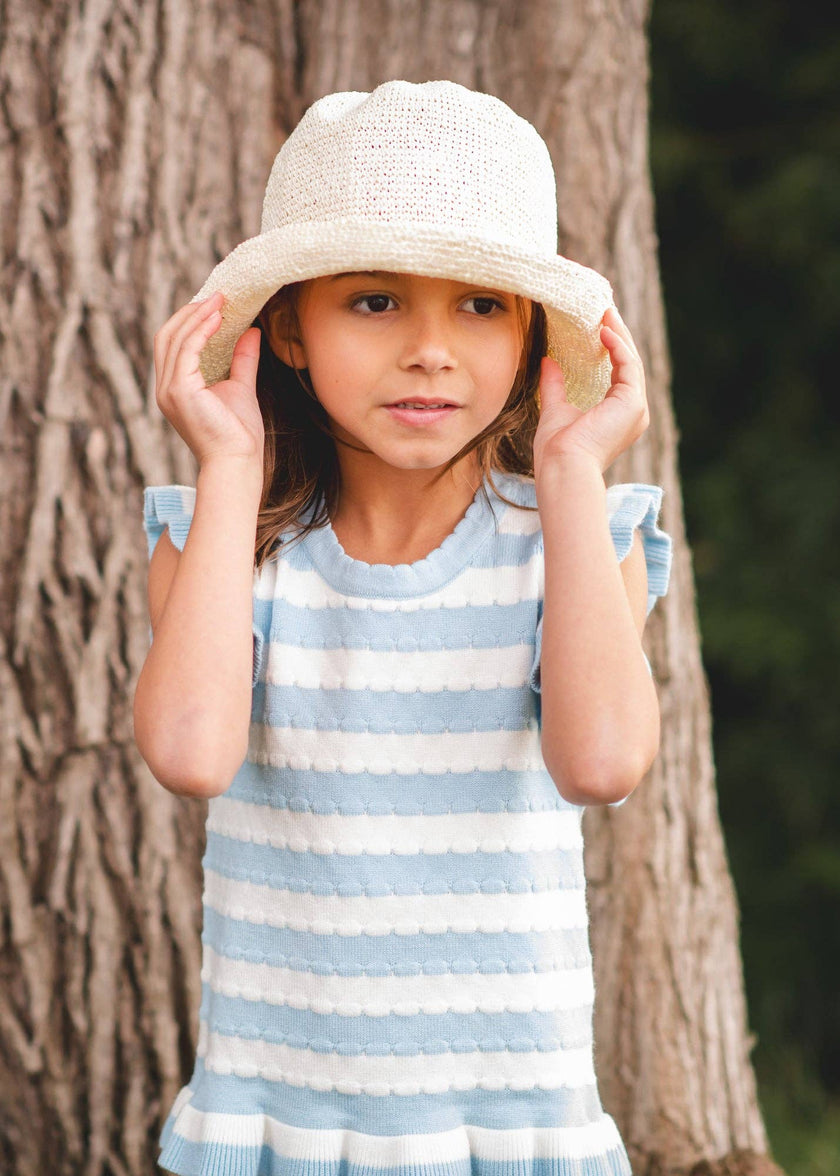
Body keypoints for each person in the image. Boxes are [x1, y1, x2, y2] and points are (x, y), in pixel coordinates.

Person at [134, 79, 673, 1176]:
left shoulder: (574, 536)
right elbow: (191, 756)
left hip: (510, 1129)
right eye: (376, 301)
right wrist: (227, 465)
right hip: (277, 1122)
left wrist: (572, 470)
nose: (432, 349)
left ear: (532, 339)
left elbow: (603, 765)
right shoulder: (225, 542)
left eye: (480, 307)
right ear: (290, 327)